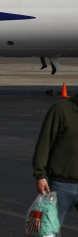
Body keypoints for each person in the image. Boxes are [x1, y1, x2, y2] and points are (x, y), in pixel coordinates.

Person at [33, 93, 78, 227]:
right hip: (61, 186)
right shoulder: (60, 110)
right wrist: (39, 174)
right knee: (48, 229)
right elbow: (44, 143)